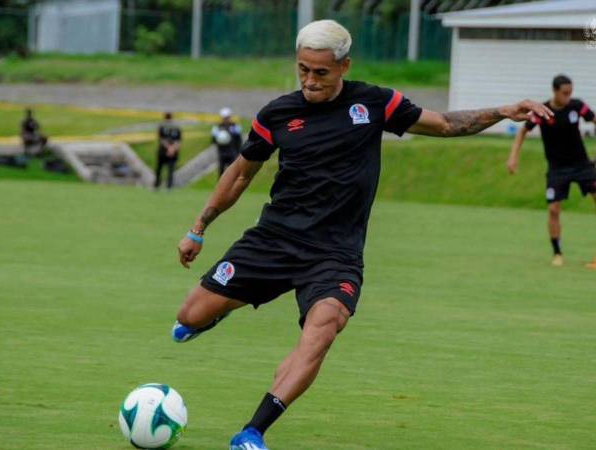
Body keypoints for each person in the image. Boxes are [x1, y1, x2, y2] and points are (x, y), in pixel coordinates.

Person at [172, 20, 552, 450]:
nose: (310, 81)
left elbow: (446, 124)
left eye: (321, 72)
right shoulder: (277, 114)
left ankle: (252, 431)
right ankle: (215, 313)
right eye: (303, 70)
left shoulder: (375, 104)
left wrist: (502, 111)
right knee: (190, 316)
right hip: (274, 240)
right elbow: (241, 174)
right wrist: (198, 228)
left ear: (344, 66)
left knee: (323, 329)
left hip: (335, 254)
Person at [507, 74, 596, 268]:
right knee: (553, 209)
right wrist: (513, 156)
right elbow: (523, 131)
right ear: (555, 91)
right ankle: (557, 253)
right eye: (565, 93)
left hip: (582, 165)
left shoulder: (576, 106)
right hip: (557, 169)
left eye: (570, 92)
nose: (568, 96)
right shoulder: (542, 112)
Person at [212, 107, 242, 178]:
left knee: (233, 171)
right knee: (221, 171)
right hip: (222, 152)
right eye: (224, 117)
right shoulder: (217, 127)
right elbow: (213, 140)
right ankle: (220, 187)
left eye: (227, 117)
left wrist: (239, 151)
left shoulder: (235, 127)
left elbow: (239, 139)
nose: (226, 119)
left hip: (232, 152)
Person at [154, 112, 181, 190]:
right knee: (163, 169)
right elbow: (178, 141)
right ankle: (161, 185)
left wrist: (170, 148)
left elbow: (161, 139)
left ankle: (165, 186)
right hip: (169, 152)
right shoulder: (175, 127)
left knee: (167, 170)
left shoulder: (163, 127)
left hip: (165, 151)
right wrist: (172, 149)